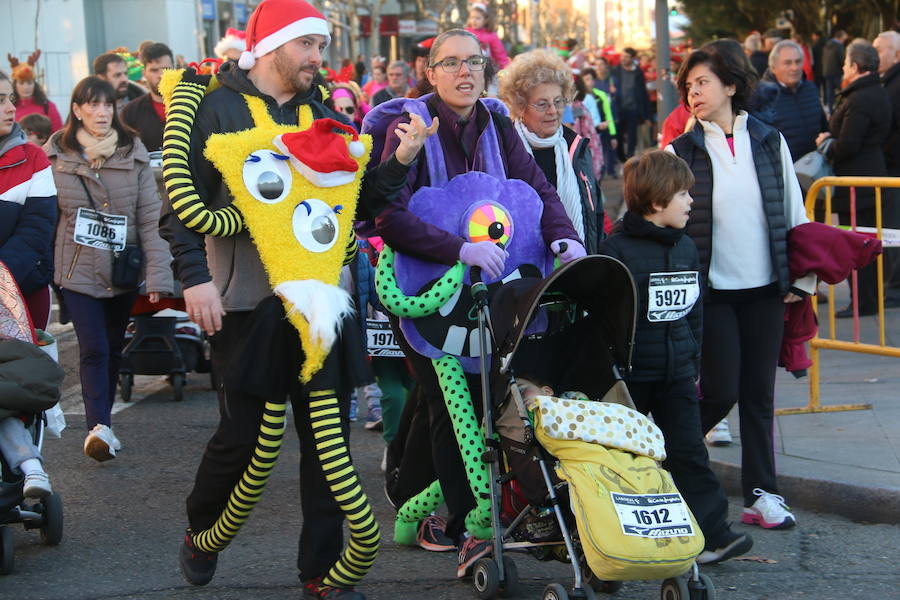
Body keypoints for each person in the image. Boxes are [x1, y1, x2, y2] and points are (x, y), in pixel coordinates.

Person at [158, 1, 420, 597]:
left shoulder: (320, 112)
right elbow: (180, 206)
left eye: (321, 46)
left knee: (327, 444)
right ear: (273, 45)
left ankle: (321, 573)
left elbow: (355, 208)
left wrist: (398, 162)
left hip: (320, 300)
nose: (317, 57)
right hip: (245, 302)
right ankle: (202, 530)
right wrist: (195, 279)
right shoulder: (215, 107)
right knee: (242, 439)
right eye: (308, 44)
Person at [372, 29, 582, 579]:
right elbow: (385, 214)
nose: (465, 72)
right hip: (424, 296)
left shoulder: (496, 123)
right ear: (430, 72)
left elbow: (535, 190)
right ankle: (472, 529)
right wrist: (457, 248)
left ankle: (416, 504)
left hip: (489, 291)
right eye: (451, 63)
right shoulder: (408, 124)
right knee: (451, 410)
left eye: (474, 62)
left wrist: (564, 238)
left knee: (486, 405)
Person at [669, 48, 816, 531]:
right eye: (688, 85)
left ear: (730, 86)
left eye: (703, 82)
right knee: (720, 391)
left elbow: (794, 212)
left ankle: (762, 494)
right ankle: (665, 455)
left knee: (759, 395)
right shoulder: (679, 151)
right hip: (711, 294)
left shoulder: (770, 141)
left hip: (766, 289)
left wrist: (801, 279)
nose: (694, 92)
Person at [600, 150, 754, 564]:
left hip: (676, 374)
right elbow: (604, 319)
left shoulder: (685, 247)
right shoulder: (616, 251)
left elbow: (694, 312)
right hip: (629, 380)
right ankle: (612, 546)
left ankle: (713, 536)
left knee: (689, 453)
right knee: (623, 463)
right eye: (683, 194)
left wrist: (693, 360)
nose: (691, 201)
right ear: (656, 201)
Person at [45, 76, 173, 462]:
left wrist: (158, 274)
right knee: (94, 347)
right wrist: (46, 272)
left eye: (107, 105)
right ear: (77, 110)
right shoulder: (57, 155)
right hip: (76, 270)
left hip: (123, 270)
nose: (101, 112)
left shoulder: (132, 150)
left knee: (114, 347)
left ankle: (105, 426)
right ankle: (97, 427)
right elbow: (46, 219)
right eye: (92, 104)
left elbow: (150, 218)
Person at [499, 49, 605, 253]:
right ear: (520, 106)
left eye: (558, 102)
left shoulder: (576, 147)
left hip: (574, 260)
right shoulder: (504, 149)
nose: (553, 111)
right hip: (523, 262)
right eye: (542, 104)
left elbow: (595, 213)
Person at [815, 40, 892, 318]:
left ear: (856, 66)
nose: (843, 68)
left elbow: (848, 144)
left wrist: (826, 143)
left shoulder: (859, 98)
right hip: (869, 176)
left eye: (846, 64)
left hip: (856, 182)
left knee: (857, 242)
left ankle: (863, 301)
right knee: (867, 240)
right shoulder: (876, 91)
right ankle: (868, 299)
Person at [0, 70, 57, 331]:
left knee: (27, 359)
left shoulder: (34, 157)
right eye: (0, 100)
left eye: (10, 98)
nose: (11, 108)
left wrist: (2, 278)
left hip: (25, 287)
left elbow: (37, 228)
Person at [765, 40, 828, 161]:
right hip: (784, 166)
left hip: (814, 164)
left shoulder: (810, 88)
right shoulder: (763, 97)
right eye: (787, 63)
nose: (794, 68)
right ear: (773, 68)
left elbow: (823, 125)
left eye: (798, 62)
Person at [875, 31, 900, 305]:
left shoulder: (895, 84)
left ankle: (895, 287)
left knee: (895, 229)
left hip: (894, 169)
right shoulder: (886, 81)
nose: (875, 55)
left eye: (881, 50)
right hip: (889, 169)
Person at [120, 43, 174, 153]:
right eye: (154, 70)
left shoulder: (194, 106)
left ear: (175, 69)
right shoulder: (131, 111)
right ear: (144, 73)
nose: (161, 75)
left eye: (166, 69)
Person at [612, 47, 650, 162]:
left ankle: (630, 158)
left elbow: (643, 93)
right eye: (622, 56)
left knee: (632, 136)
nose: (623, 59)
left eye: (627, 57)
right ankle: (621, 157)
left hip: (633, 108)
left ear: (632, 58)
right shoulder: (615, 70)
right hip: (618, 108)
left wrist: (646, 114)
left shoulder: (638, 72)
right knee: (618, 135)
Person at [10, 63, 63, 133]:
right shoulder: (10, 107)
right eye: (21, 83)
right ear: (15, 85)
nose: (26, 87)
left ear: (34, 85)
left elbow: (58, 133)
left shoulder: (47, 106)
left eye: (29, 83)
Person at [465, 2, 510, 69]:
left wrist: (506, 68)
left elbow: (500, 54)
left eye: (478, 18)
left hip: (487, 69)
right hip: (468, 68)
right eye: (472, 17)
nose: (474, 20)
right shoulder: (466, 33)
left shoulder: (491, 36)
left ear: (485, 20)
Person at [822, 30, 848, 113]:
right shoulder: (838, 46)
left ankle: (831, 111)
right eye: (844, 39)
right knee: (844, 90)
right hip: (836, 72)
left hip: (827, 72)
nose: (844, 41)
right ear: (840, 38)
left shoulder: (827, 45)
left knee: (830, 92)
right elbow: (842, 59)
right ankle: (843, 109)